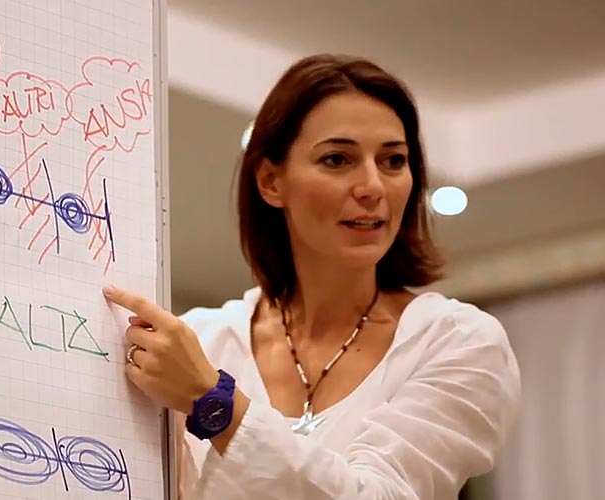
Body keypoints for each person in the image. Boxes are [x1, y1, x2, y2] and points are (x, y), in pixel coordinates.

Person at [102, 53, 521, 500]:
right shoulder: (200, 341)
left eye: (393, 160)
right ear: (271, 182)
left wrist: (215, 403)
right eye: (338, 159)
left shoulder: (456, 341)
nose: (373, 186)